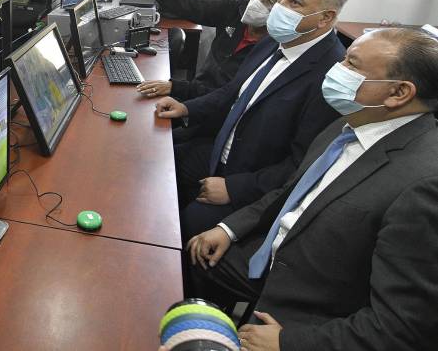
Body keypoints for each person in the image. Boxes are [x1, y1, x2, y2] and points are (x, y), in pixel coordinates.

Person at [186, 28, 438, 350]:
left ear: (398, 92)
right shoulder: (350, 123)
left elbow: (401, 328)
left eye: (352, 64)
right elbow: (292, 191)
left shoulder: (424, 184)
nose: (337, 69)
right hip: (276, 256)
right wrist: (230, 228)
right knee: (194, 252)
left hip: (313, 312)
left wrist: (290, 342)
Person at [155, 0, 346, 241]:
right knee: (152, 162)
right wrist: (187, 108)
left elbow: (301, 165)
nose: (280, 8)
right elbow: (232, 93)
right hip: (220, 155)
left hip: (250, 185)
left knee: (173, 230)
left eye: (295, 2)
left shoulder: (330, 75)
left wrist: (234, 188)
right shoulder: (274, 41)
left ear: (326, 18)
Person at [133, 0, 297, 102]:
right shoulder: (237, 8)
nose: (258, 2)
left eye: (269, 0)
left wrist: (175, 88)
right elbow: (189, 4)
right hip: (194, 95)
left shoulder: (277, 46)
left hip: (216, 110)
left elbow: (230, 94)